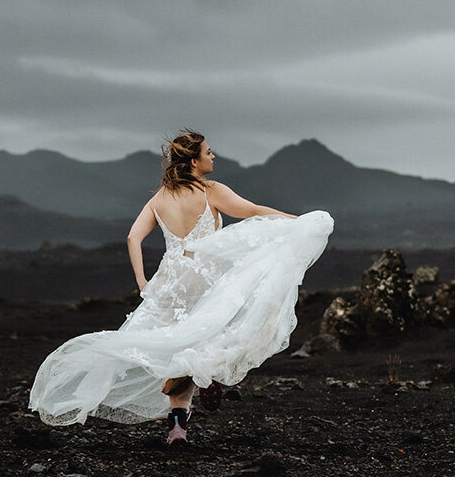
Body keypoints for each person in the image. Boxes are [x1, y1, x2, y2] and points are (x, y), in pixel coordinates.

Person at [29, 130, 333, 446]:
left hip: (170, 282)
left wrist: (142, 280)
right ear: (193, 160)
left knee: (176, 345)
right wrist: (297, 223)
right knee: (218, 330)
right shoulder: (210, 190)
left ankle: (178, 427)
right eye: (208, 152)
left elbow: (133, 238)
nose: (213, 156)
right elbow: (253, 211)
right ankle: (208, 375)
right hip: (206, 278)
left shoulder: (159, 198)